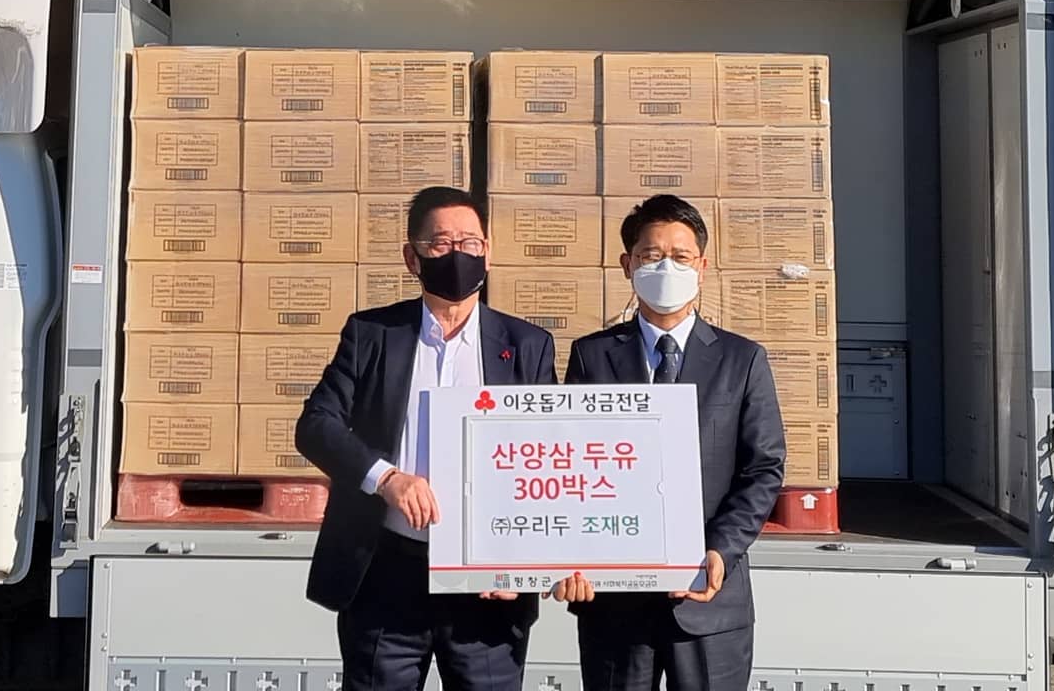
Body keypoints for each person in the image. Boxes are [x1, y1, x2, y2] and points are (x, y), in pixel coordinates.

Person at [295, 185, 557, 691]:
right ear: (412, 258)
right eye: (441, 244)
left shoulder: (526, 345)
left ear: (488, 253)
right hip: (386, 571)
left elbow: (546, 457)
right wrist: (385, 478)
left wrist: (524, 566)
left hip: (486, 581)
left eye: (470, 242)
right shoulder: (373, 334)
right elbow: (316, 425)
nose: (458, 254)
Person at [552, 195, 785, 691]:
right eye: (651, 256)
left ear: (702, 266)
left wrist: (720, 549)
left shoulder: (742, 360)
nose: (666, 268)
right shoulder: (592, 356)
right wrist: (569, 555)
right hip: (615, 604)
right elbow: (570, 467)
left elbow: (763, 469)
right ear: (627, 265)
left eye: (680, 257)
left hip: (708, 600)